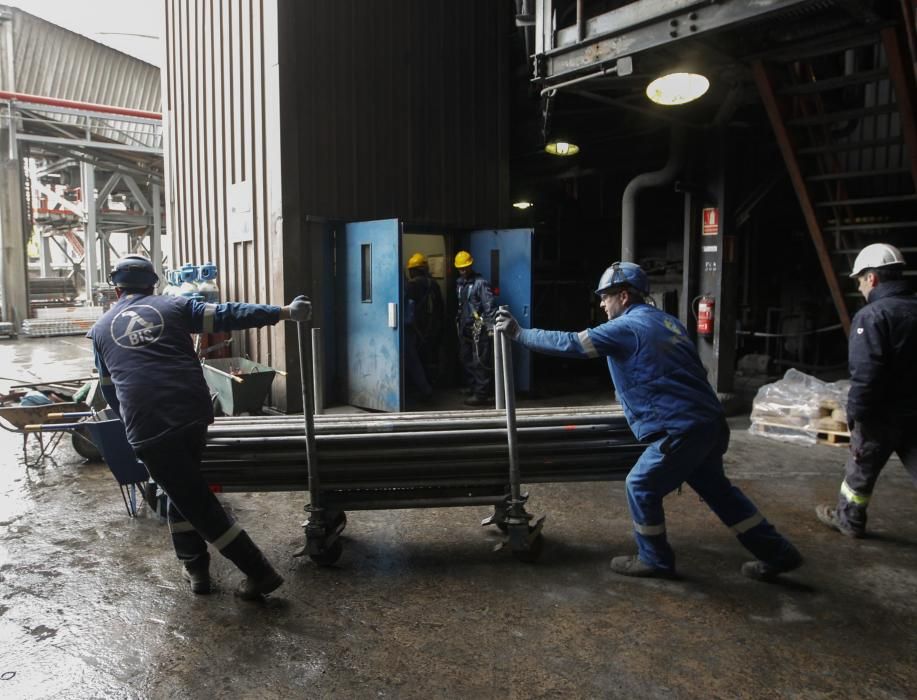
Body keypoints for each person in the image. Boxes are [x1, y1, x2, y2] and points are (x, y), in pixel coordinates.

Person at [495, 261, 802, 581]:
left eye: (606, 297)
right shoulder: (668, 323)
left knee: (641, 485)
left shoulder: (626, 327)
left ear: (624, 296)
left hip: (679, 427)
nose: (602, 304)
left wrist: (520, 333)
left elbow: (573, 344)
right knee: (719, 492)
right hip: (709, 422)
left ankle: (654, 559)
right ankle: (778, 553)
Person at [88, 254, 311, 599]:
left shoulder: (101, 329)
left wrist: (133, 424)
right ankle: (196, 568)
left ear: (116, 289)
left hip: (149, 426)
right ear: (153, 283)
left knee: (196, 503)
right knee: (180, 492)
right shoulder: (174, 306)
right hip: (192, 413)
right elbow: (228, 314)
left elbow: (108, 390)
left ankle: (259, 573)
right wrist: (282, 311)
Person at [816, 243, 917, 537]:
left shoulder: (872, 316)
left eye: (860, 280)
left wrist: (855, 416)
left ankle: (849, 521)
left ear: (871, 278)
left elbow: (866, 375)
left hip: (880, 416)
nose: (860, 288)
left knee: (859, 473)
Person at [454, 250, 496, 407]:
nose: (463, 271)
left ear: (471, 265)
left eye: (466, 267)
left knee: (480, 361)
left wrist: (490, 327)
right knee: (465, 358)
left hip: (479, 328)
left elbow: (489, 306)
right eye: (461, 268)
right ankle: (473, 387)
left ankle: (481, 395)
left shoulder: (481, 283)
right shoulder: (460, 283)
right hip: (465, 326)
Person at [404, 253, 444, 401]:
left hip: (416, 328)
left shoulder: (411, 285)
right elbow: (440, 308)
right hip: (432, 327)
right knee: (429, 359)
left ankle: (423, 391)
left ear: (413, 270)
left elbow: (408, 309)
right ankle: (429, 387)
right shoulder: (433, 284)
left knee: (416, 360)